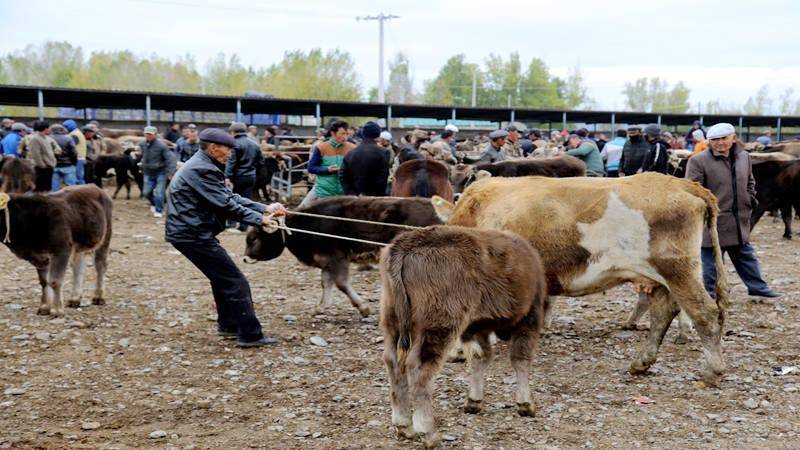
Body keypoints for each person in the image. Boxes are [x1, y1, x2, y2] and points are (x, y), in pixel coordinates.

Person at [166, 128, 287, 347]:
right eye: (228, 149)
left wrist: (264, 207)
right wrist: (259, 219)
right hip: (192, 234)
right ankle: (250, 335)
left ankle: (229, 326)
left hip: (189, 232)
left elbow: (229, 196)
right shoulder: (202, 169)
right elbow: (225, 204)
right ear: (214, 148)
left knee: (222, 278)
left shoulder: (204, 164)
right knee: (235, 280)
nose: (230, 154)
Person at [685, 122, 780, 299]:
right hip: (714, 220)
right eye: (715, 139)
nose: (720, 143)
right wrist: (705, 212)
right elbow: (692, 191)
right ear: (709, 142)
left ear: (733, 139)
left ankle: (757, 287)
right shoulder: (698, 161)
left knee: (745, 256)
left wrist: (750, 199)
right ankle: (711, 293)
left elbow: (750, 182)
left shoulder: (744, 157)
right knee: (711, 259)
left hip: (739, 219)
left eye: (724, 138)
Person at [302, 120, 355, 207]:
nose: (345, 137)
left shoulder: (352, 148)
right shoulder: (321, 147)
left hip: (345, 193)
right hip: (324, 192)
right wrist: (327, 170)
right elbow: (311, 168)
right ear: (333, 133)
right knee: (304, 210)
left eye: (347, 134)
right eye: (342, 134)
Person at [225, 122, 265, 231]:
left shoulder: (234, 144)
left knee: (232, 200)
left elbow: (231, 162)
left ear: (233, 132)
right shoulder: (255, 144)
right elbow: (261, 162)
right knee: (247, 200)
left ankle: (232, 223)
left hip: (236, 177)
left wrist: (227, 176)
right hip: (250, 176)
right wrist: (252, 169)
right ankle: (244, 225)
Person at [338, 121, 392, 196]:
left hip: (354, 199)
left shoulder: (350, 153)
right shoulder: (384, 152)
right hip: (374, 200)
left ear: (363, 134)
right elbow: (383, 178)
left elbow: (342, 175)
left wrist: (351, 194)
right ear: (378, 135)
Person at [139, 126, 176, 218]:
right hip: (148, 172)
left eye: (150, 134)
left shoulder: (162, 146)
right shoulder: (142, 144)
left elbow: (170, 159)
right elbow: (143, 156)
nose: (148, 136)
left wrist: (170, 173)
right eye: (147, 134)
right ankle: (154, 203)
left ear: (155, 135)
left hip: (160, 173)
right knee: (146, 192)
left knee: (159, 193)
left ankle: (158, 210)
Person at [27, 121, 57, 192]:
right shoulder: (35, 139)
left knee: (47, 189)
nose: (50, 130)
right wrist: (42, 165)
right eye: (48, 128)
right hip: (42, 168)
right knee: (40, 189)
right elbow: (35, 154)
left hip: (48, 167)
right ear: (45, 129)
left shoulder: (45, 138)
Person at [50, 124, 78, 191]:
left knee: (54, 187)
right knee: (71, 187)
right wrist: (74, 163)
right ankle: (72, 200)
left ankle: (54, 200)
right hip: (68, 165)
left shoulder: (48, 138)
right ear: (62, 130)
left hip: (54, 165)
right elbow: (74, 152)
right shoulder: (68, 138)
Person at [63, 120, 87, 184]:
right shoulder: (77, 132)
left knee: (78, 177)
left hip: (77, 158)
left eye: (65, 127)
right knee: (79, 176)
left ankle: (82, 191)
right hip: (80, 157)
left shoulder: (74, 135)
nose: (64, 129)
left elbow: (70, 146)